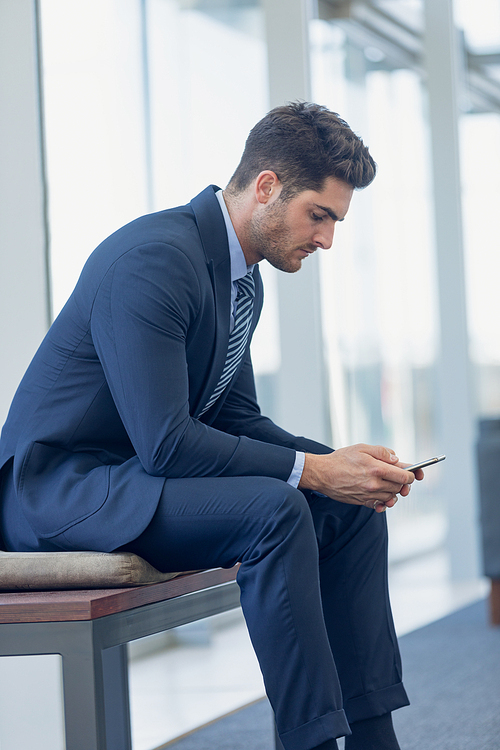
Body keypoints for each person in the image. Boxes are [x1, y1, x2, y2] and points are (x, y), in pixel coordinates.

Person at [0, 102, 422, 750]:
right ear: (266, 187)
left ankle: (373, 736)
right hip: (62, 493)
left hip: (133, 479)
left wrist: (345, 466)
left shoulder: (237, 278)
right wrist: (315, 471)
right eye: (321, 216)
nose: (327, 240)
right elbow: (167, 440)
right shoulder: (154, 259)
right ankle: (311, 743)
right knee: (277, 508)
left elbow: (235, 416)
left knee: (351, 509)